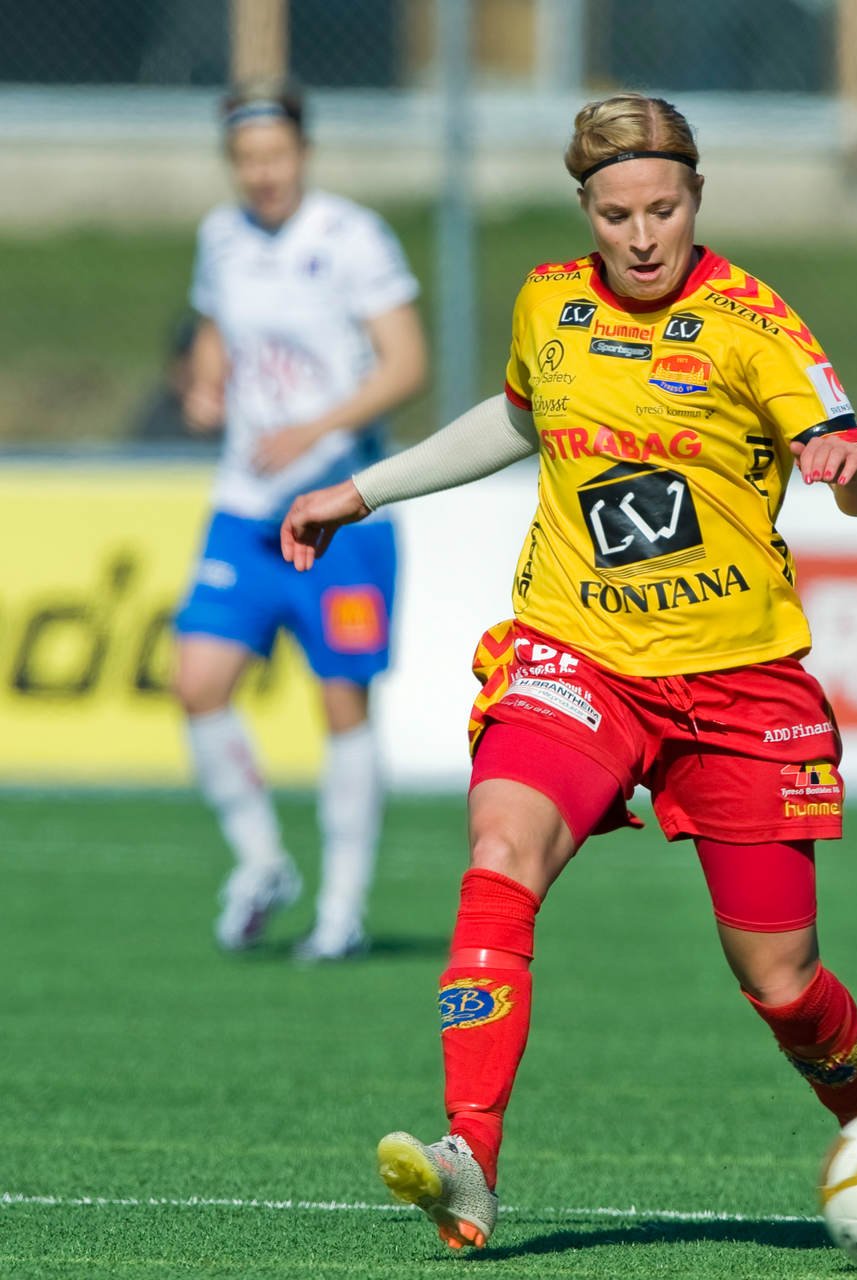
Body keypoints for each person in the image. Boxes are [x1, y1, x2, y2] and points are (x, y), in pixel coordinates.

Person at [281, 93, 857, 1251]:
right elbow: (517, 419)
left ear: (697, 198)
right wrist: (358, 492)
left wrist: (848, 467)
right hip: (580, 656)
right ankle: (469, 1155)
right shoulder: (549, 302)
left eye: (664, 208)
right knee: (501, 847)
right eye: (618, 215)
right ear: (588, 212)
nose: (644, 234)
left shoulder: (755, 325)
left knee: (780, 979)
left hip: (738, 682)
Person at [172, 81, 427, 961]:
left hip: (335, 513)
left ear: (303, 155)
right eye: (247, 161)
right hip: (243, 508)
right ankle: (261, 862)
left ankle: (342, 910)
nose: (263, 174)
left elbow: (407, 364)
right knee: (197, 681)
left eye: (276, 157)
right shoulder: (221, 238)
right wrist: (204, 386)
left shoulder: (351, 238)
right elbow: (213, 337)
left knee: (340, 700)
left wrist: (315, 430)